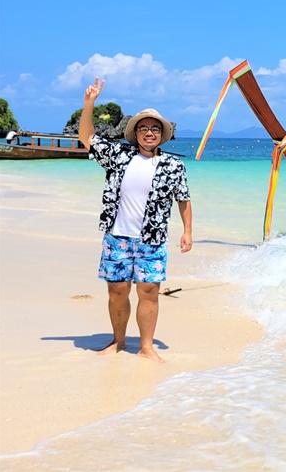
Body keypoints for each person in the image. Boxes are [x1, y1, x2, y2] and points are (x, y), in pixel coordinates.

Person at [79, 77, 192, 363]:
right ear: (136, 133)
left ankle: (146, 347)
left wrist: (187, 231)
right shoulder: (118, 156)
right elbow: (87, 138)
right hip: (117, 236)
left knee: (149, 292)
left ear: (162, 135)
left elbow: (184, 198)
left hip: (152, 241)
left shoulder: (173, 165)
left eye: (155, 129)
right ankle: (118, 342)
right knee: (117, 292)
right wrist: (89, 103)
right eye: (144, 128)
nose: (149, 133)